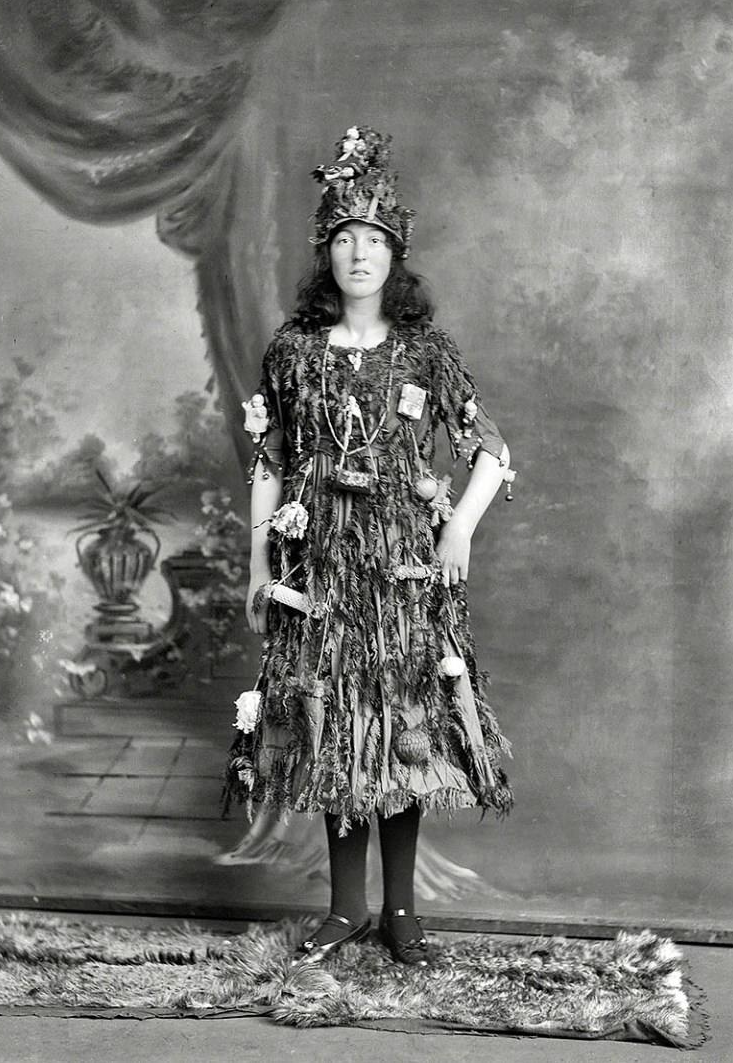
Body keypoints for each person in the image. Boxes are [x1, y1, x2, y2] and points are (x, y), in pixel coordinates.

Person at [224, 126, 514, 967]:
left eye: (375, 241)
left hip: (400, 571)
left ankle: (401, 912)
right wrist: (257, 570)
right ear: (327, 253)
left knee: (399, 724)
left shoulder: (426, 351)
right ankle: (343, 907)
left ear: (396, 255)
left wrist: (456, 524)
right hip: (316, 571)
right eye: (345, 239)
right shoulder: (293, 350)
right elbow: (269, 461)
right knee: (329, 724)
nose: (360, 254)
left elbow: (490, 449)